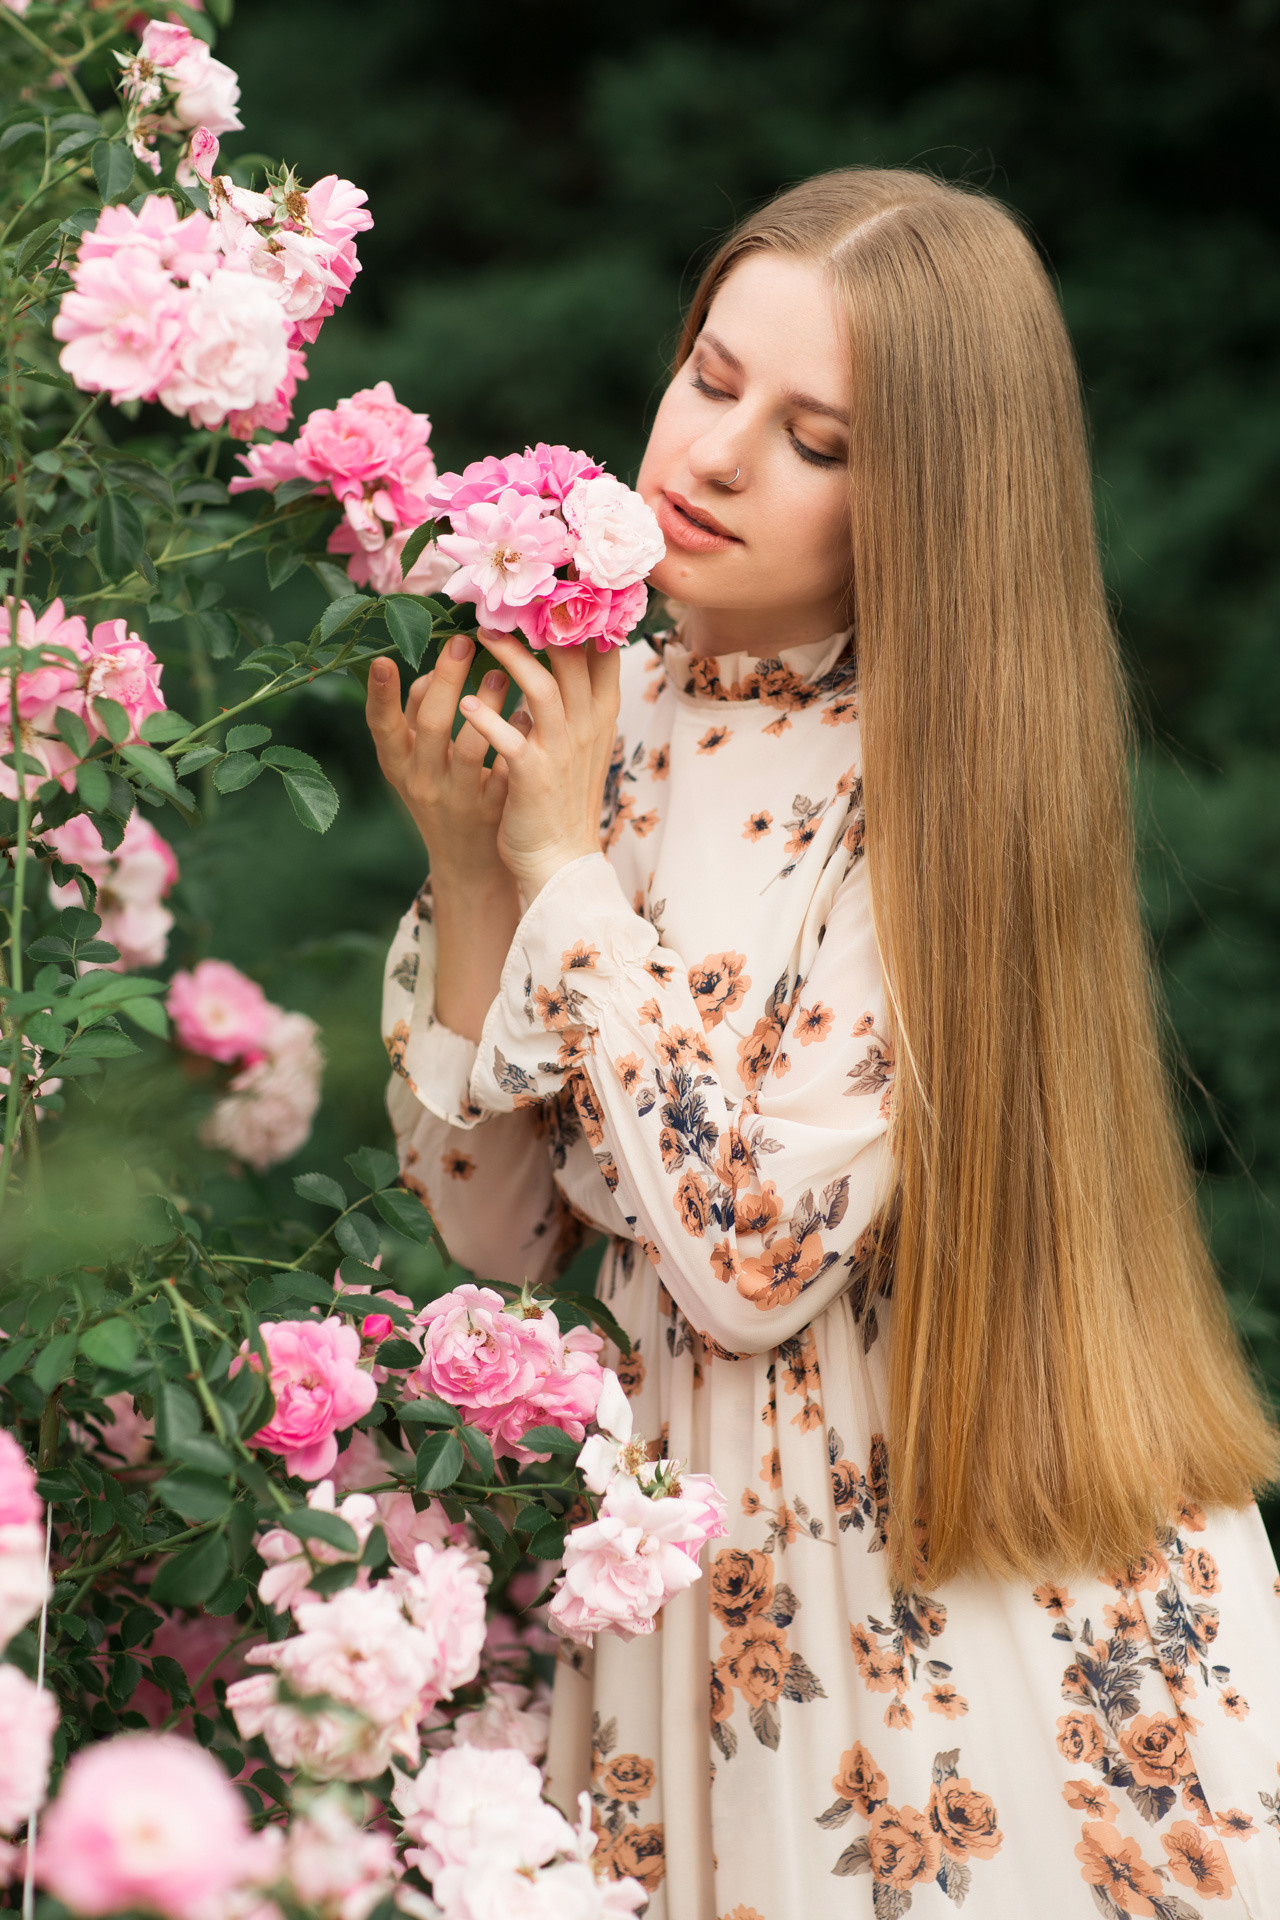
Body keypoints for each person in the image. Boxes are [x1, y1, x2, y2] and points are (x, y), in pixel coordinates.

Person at [365, 168, 1280, 1919]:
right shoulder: (595, 719)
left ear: (921, 508)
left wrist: (558, 870)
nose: (711, 458)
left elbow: (750, 1263)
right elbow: (493, 1236)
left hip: (946, 1590)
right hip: (676, 1585)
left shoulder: (934, 785)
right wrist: (475, 865)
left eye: (818, 440)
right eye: (711, 379)